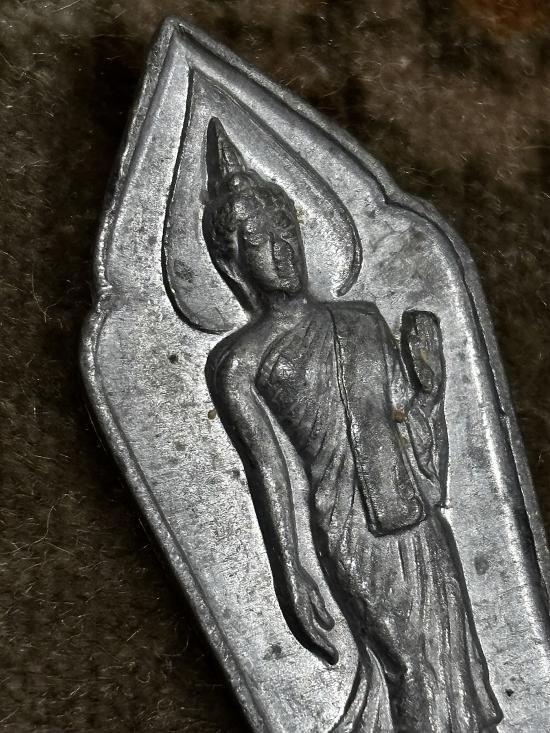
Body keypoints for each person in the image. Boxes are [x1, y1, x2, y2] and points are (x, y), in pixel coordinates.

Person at [201, 118, 502, 732]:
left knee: (452, 667)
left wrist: (431, 390)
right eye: (258, 240)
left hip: (416, 516)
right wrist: (291, 573)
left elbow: (409, 426)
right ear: (233, 263)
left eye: (286, 230)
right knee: (412, 667)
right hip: (351, 527)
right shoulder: (242, 361)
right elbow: (268, 470)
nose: (281, 248)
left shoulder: (363, 319)